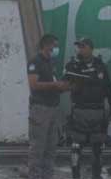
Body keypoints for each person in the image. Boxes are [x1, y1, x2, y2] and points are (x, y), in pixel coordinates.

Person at [64, 37, 111, 179]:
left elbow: (108, 88)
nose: (81, 49)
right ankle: (76, 176)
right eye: (79, 47)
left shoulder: (100, 65)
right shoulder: (73, 65)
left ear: (91, 49)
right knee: (75, 147)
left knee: (98, 149)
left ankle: (96, 175)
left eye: (84, 46)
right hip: (80, 111)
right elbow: (65, 81)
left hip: (97, 111)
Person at [27, 34, 71, 179]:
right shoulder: (35, 62)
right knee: (38, 147)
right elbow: (33, 84)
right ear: (46, 45)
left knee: (51, 148)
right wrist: (54, 84)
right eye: (55, 46)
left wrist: (63, 87)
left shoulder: (51, 63)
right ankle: (35, 176)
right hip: (40, 109)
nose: (56, 49)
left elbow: (52, 84)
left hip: (53, 108)